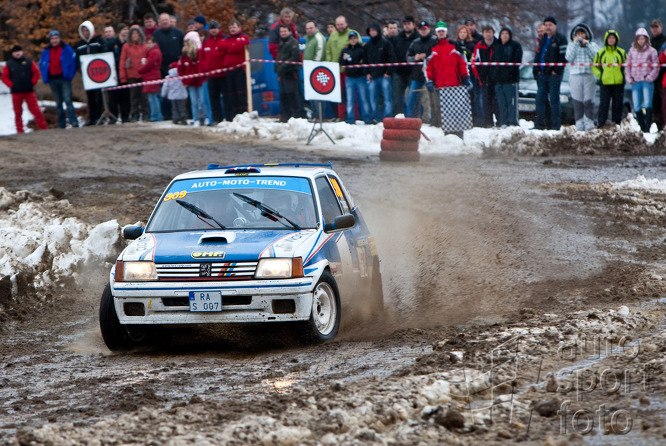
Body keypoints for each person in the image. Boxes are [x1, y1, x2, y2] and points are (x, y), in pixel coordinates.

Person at [425, 21, 472, 138]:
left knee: (457, 111)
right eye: (439, 31)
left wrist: (466, 77)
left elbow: (462, 63)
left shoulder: (454, 45)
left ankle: (459, 135)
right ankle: (447, 136)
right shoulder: (432, 47)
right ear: (436, 33)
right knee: (444, 113)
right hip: (440, 85)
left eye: (443, 31)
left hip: (455, 84)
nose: (441, 33)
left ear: (446, 32)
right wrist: (429, 80)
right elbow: (427, 66)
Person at [2, 45, 48, 133]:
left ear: (22, 52)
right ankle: (20, 130)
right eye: (15, 52)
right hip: (16, 92)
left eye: (19, 51)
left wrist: (32, 83)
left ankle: (43, 128)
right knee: (18, 112)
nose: (17, 53)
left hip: (28, 91)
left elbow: (36, 73)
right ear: (13, 53)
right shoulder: (9, 64)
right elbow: (4, 77)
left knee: (36, 110)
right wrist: (12, 85)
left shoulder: (28, 62)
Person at [533, 16, 567, 130]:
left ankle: (555, 125)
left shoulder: (560, 39)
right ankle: (540, 124)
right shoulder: (543, 39)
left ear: (555, 26)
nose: (548, 27)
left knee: (554, 100)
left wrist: (556, 70)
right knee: (540, 99)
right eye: (546, 25)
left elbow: (564, 57)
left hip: (553, 75)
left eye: (550, 25)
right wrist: (537, 69)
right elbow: (538, 55)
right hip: (542, 74)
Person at [39, 30, 78, 128]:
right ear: (50, 40)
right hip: (53, 79)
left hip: (64, 79)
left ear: (59, 39)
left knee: (68, 100)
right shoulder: (46, 51)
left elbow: (73, 62)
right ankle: (61, 123)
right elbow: (42, 64)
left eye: (56, 38)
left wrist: (69, 75)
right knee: (58, 103)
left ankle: (73, 121)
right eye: (52, 39)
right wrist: (45, 76)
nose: (54, 40)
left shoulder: (67, 49)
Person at [565, 23, 599, 131]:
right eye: (578, 34)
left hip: (589, 75)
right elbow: (569, 58)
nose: (580, 36)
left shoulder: (592, 45)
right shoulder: (571, 45)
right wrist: (575, 44)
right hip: (575, 76)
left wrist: (587, 45)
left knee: (589, 102)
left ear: (587, 34)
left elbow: (595, 57)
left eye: (582, 33)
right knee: (577, 102)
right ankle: (579, 125)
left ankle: (589, 125)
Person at [626, 28, 659, 132]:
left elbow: (656, 66)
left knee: (648, 103)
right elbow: (628, 66)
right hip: (635, 81)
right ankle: (642, 126)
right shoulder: (632, 51)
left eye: (642, 39)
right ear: (636, 40)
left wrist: (649, 77)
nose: (641, 41)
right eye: (639, 39)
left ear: (646, 39)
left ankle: (648, 126)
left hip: (646, 81)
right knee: (636, 105)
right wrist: (629, 78)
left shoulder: (652, 51)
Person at [326, 16, 358, 121]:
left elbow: (360, 48)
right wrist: (330, 64)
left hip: (350, 72)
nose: (340, 26)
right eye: (338, 25)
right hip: (336, 71)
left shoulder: (353, 33)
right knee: (339, 95)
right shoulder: (333, 36)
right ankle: (341, 116)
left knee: (352, 95)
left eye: (341, 24)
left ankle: (354, 115)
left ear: (346, 23)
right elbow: (328, 52)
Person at [152, 13, 184, 120]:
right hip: (161, 69)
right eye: (162, 20)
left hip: (176, 68)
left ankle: (181, 113)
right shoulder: (155, 34)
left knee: (178, 92)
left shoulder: (178, 33)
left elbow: (182, 49)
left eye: (166, 20)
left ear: (170, 21)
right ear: (159, 22)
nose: (165, 22)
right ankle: (166, 114)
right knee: (164, 93)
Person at [592, 30, 627, 128]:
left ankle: (616, 125)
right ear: (606, 40)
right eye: (609, 38)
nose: (611, 40)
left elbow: (627, 66)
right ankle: (601, 125)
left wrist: (623, 74)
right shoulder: (601, 53)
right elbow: (594, 66)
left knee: (617, 105)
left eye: (613, 38)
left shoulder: (622, 52)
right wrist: (600, 75)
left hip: (618, 83)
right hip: (605, 83)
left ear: (616, 40)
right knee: (604, 105)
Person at [75, 20, 105, 125]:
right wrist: (80, 69)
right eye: (83, 31)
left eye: (87, 30)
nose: (86, 32)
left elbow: (104, 56)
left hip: (99, 74)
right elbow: (77, 60)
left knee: (99, 96)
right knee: (90, 97)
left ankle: (100, 117)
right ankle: (92, 118)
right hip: (87, 75)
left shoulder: (98, 41)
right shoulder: (79, 45)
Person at [364, 23, 396, 122]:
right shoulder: (367, 46)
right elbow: (365, 61)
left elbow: (392, 58)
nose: (372, 32)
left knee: (387, 99)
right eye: (370, 31)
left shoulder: (386, 43)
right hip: (373, 76)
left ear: (378, 31)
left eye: (374, 30)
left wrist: (388, 72)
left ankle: (387, 118)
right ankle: (376, 118)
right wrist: (367, 73)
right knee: (373, 99)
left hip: (384, 76)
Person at [491, 27, 522, 127]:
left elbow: (516, 62)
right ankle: (503, 121)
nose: (504, 36)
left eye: (506, 34)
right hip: (498, 81)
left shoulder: (515, 46)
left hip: (510, 80)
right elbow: (493, 62)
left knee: (511, 103)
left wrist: (508, 74)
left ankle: (512, 121)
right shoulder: (497, 46)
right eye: (502, 33)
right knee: (501, 103)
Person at [220, 19, 250, 120]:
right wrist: (231, 45)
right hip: (229, 70)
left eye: (234, 27)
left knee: (240, 93)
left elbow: (237, 48)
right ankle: (233, 115)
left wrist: (229, 47)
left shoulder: (243, 37)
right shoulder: (226, 39)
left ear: (239, 28)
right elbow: (221, 46)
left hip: (240, 69)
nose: (232, 29)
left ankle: (243, 114)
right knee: (231, 94)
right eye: (231, 27)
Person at [405, 21, 437, 119]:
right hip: (417, 74)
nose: (423, 31)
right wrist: (415, 57)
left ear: (429, 29)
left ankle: (434, 120)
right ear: (418, 30)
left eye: (425, 29)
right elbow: (408, 57)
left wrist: (427, 57)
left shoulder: (435, 41)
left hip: (432, 75)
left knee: (433, 98)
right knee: (412, 97)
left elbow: (438, 55)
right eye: (421, 29)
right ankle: (411, 119)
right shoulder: (415, 42)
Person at [178, 32, 211, 126]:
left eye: (186, 44)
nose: (185, 46)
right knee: (194, 102)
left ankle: (206, 117)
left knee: (203, 100)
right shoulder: (184, 57)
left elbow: (196, 70)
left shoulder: (198, 55)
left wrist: (188, 81)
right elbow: (181, 69)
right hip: (190, 83)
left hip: (199, 81)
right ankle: (195, 118)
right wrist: (184, 81)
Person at [388, 17, 417, 116]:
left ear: (413, 25)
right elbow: (391, 54)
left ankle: (414, 118)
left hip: (413, 73)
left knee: (413, 97)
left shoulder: (417, 38)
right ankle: (398, 117)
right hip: (398, 72)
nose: (407, 26)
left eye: (409, 23)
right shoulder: (398, 38)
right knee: (396, 97)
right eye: (405, 24)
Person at [275, 24, 305, 121]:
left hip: (290, 73)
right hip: (282, 74)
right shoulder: (281, 43)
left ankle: (296, 116)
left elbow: (294, 58)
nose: (283, 33)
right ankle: (286, 116)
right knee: (284, 96)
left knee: (293, 95)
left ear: (289, 32)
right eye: (281, 31)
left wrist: (282, 66)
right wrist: (277, 68)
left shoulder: (293, 42)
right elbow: (279, 57)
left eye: (285, 31)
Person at [340, 31, 371, 124]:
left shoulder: (362, 49)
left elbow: (365, 60)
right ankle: (350, 118)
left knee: (363, 99)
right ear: (349, 40)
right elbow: (341, 63)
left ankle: (366, 118)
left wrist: (362, 61)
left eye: (354, 38)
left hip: (360, 77)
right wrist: (343, 59)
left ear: (357, 39)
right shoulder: (345, 50)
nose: (353, 40)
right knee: (350, 99)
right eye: (351, 38)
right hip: (349, 77)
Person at [119, 25, 148, 121]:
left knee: (144, 97)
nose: (135, 35)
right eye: (133, 33)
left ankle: (145, 114)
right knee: (133, 97)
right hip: (131, 75)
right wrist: (123, 76)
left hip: (143, 75)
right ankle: (134, 114)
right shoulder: (126, 47)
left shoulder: (145, 46)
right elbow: (122, 61)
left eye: (137, 33)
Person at [471, 25, 498, 127]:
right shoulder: (479, 45)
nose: (488, 34)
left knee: (496, 101)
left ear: (493, 33)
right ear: (483, 34)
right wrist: (479, 77)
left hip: (495, 78)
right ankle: (487, 122)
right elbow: (474, 62)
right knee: (485, 101)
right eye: (486, 32)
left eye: (489, 32)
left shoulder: (497, 44)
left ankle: (499, 121)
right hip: (483, 78)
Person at [103, 24, 130, 123]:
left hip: (126, 73)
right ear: (119, 32)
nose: (126, 31)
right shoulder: (112, 43)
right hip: (113, 74)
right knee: (113, 98)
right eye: (124, 29)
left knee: (125, 97)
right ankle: (113, 117)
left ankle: (125, 117)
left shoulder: (129, 43)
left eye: (127, 29)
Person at [201, 20, 226, 124]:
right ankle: (217, 119)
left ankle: (229, 117)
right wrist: (205, 68)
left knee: (226, 97)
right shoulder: (206, 42)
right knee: (213, 99)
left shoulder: (224, 39)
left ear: (218, 28)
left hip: (223, 75)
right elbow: (202, 57)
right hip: (211, 75)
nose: (213, 30)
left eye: (215, 28)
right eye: (211, 28)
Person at [137, 35, 163, 122]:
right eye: (147, 43)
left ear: (154, 43)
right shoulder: (153, 51)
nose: (148, 45)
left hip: (152, 76)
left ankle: (155, 116)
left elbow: (149, 64)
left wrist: (140, 70)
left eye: (149, 43)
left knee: (153, 98)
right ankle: (156, 115)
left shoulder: (154, 52)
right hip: (151, 76)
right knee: (153, 97)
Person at [304, 20, 327, 118]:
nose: (309, 30)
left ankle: (320, 115)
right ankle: (315, 114)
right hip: (309, 70)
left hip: (316, 70)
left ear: (316, 28)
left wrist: (314, 67)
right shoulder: (309, 39)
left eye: (311, 28)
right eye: (307, 28)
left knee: (318, 94)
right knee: (311, 93)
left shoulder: (318, 38)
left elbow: (320, 52)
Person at [650, 19, 666, 130]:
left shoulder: (664, 41)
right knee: (654, 101)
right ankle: (658, 124)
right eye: (653, 27)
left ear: (661, 27)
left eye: (657, 27)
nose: (655, 29)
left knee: (663, 102)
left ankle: (663, 124)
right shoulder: (648, 41)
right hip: (651, 76)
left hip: (662, 75)